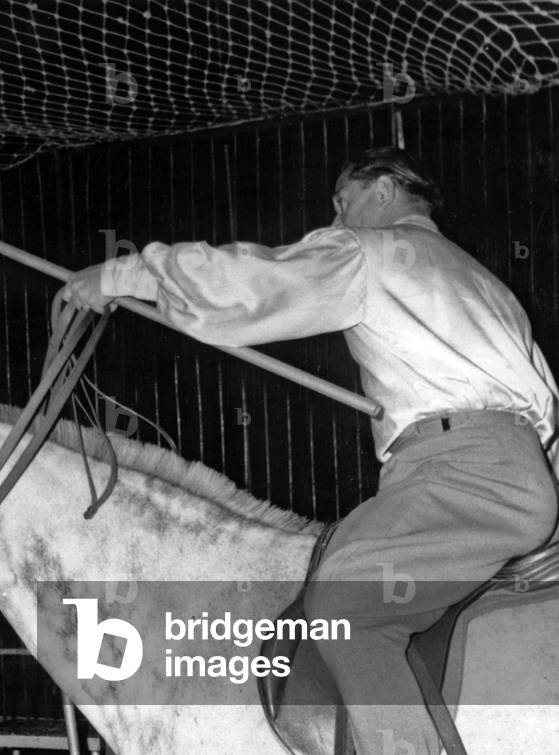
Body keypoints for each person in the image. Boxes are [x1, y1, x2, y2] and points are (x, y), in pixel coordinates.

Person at [61, 147, 559, 755]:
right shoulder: (485, 283)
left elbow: (257, 278)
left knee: (343, 606)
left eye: (343, 199)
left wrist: (123, 275)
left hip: (458, 471)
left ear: (384, 190)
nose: (337, 214)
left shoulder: (370, 252)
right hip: (512, 470)